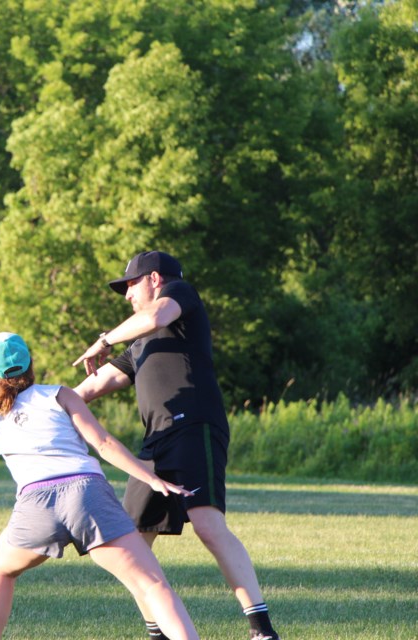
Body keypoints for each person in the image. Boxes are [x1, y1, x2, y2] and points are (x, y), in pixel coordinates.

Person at [0, 332, 200, 640]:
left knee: (0, 572)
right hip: (87, 495)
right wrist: (151, 478)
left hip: (36, 506)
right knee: (152, 585)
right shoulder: (60, 395)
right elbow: (103, 443)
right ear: (30, 365)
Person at [72, 250, 281, 640]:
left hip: (193, 425)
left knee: (206, 523)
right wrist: (26, 405)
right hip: (155, 443)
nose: (127, 295)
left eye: (131, 285)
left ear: (154, 279)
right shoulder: (140, 343)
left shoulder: (180, 295)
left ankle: (262, 630)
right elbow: (91, 387)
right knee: (132, 541)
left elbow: (153, 316)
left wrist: (102, 339)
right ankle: (159, 632)